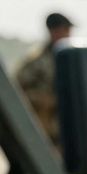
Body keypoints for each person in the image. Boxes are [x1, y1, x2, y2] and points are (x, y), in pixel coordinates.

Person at [16, 12, 74, 149]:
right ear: (55, 31)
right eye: (66, 30)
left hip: (65, 130)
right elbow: (17, 93)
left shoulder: (70, 59)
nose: (69, 34)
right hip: (44, 131)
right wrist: (46, 100)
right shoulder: (36, 62)